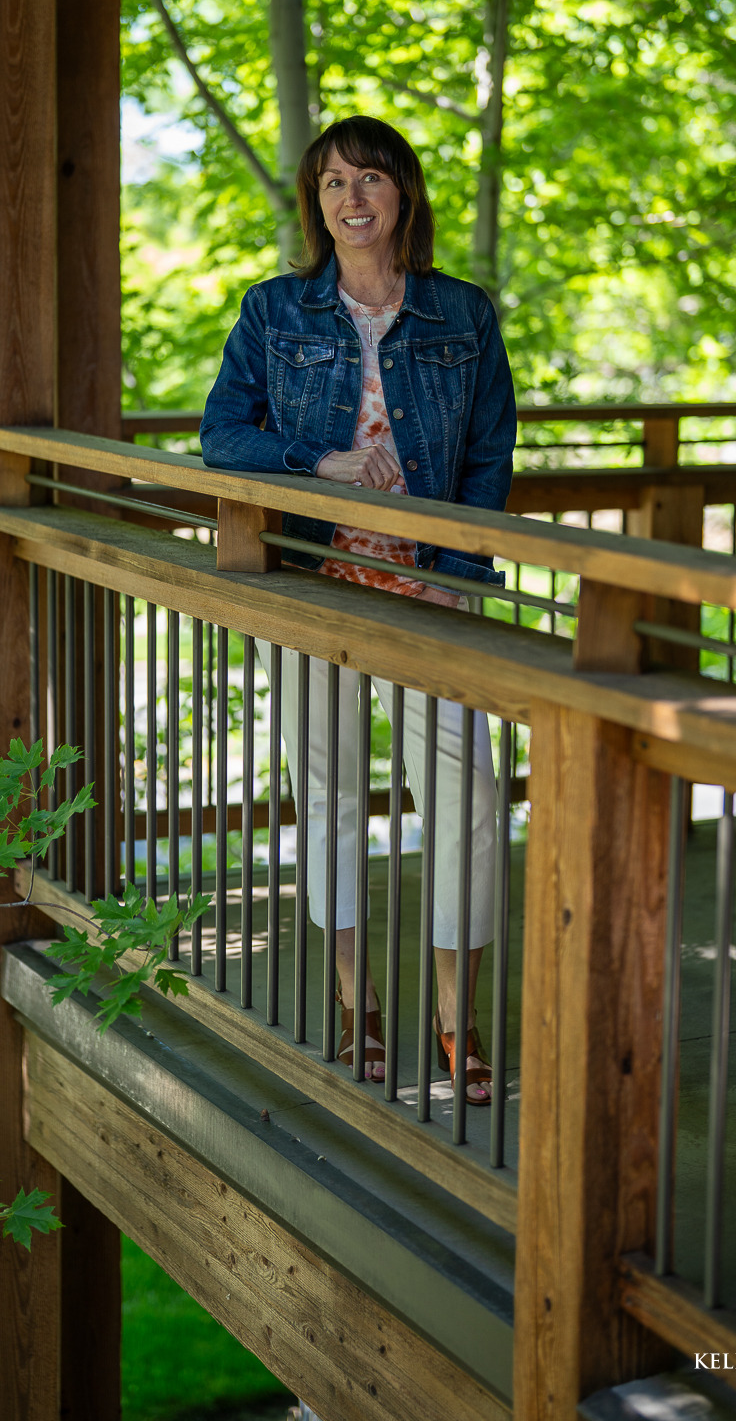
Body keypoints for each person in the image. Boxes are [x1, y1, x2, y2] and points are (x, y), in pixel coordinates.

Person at [200, 116, 516, 1101]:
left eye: (371, 179)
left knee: (464, 799)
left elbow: (487, 457)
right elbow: (221, 434)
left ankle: (456, 1019)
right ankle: (355, 1004)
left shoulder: (461, 313)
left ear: (403, 195)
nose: (352, 198)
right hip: (314, 582)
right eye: (334, 183)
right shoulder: (275, 312)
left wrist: (463, 563)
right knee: (330, 793)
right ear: (318, 203)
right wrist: (317, 462)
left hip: (432, 590)